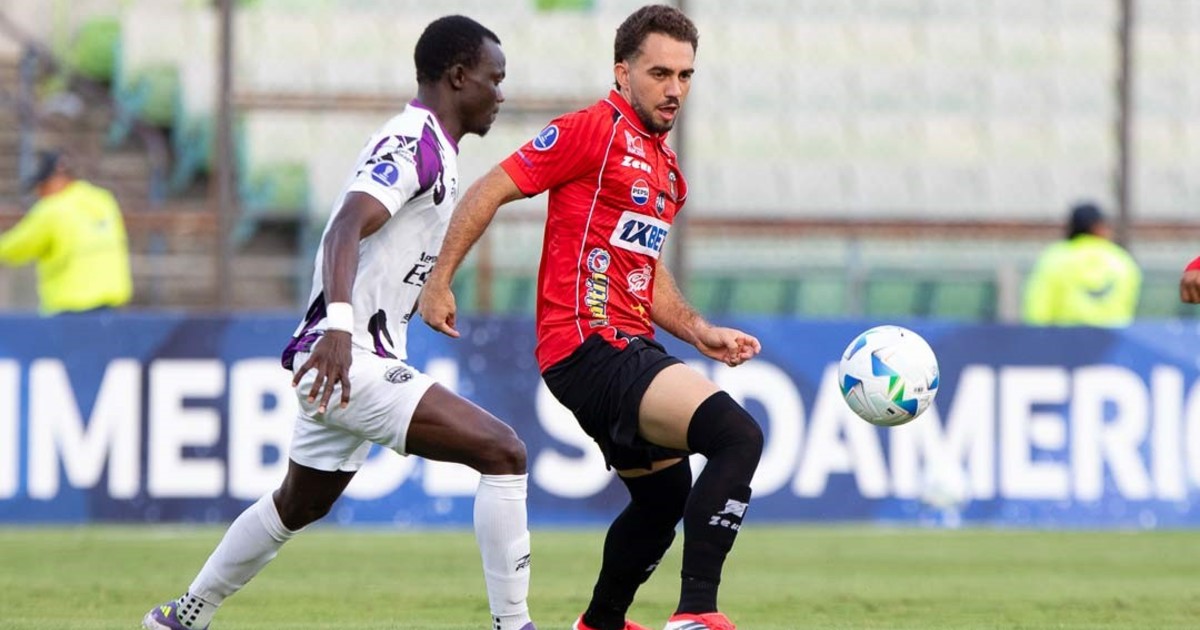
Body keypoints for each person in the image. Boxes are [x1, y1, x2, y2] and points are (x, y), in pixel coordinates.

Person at [143, 16, 537, 630]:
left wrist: (429, 289)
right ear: (460, 77)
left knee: (298, 504)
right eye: (495, 78)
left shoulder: (439, 148)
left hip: (350, 358)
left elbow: (382, 247)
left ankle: (185, 616)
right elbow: (345, 225)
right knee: (503, 452)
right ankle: (515, 625)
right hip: (347, 357)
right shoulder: (413, 141)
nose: (501, 93)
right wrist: (338, 327)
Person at [420, 6, 762, 630]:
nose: (674, 89)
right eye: (659, 73)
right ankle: (695, 611)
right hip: (588, 343)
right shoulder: (591, 131)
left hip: (621, 348)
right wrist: (439, 279)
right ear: (622, 72)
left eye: (685, 75)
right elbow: (491, 187)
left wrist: (698, 331)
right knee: (737, 436)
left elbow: (642, 270)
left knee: (661, 500)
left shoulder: (667, 173)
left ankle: (600, 623)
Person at [0, 150, 132, 314]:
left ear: (53, 180)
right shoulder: (103, 199)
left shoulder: (52, 209)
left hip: (70, 304)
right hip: (110, 304)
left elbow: (18, 246)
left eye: (41, 186)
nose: (39, 193)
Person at [1022, 202, 1142, 327]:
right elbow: (1128, 306)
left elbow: (1038, 306)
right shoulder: (1120, 260)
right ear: (1099, 227)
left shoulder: (1055, 258)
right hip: (1112, 336)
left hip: (1064, 336)